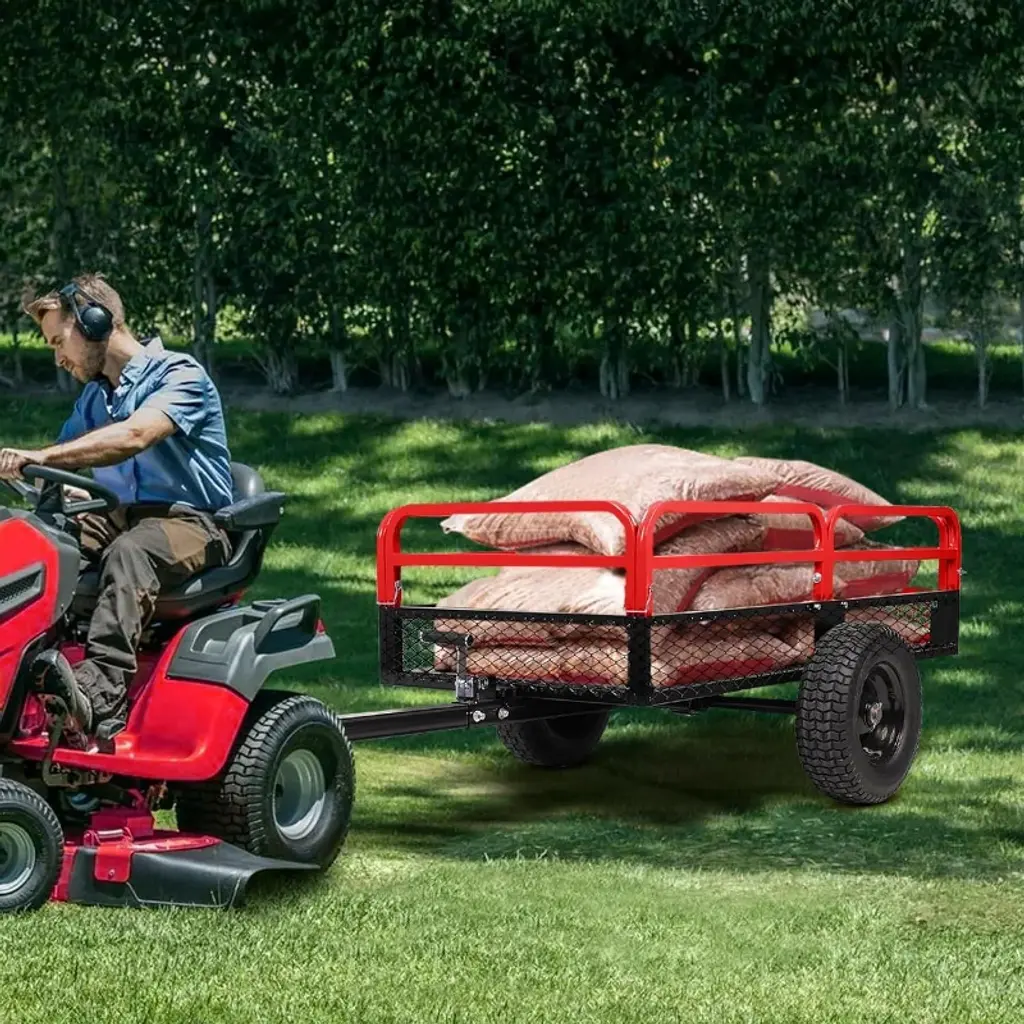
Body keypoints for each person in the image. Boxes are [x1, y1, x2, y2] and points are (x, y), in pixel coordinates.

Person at [0, 274, 235, 736]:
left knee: (131, 552)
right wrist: (50, 482)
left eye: (58, 341)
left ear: (94, 321)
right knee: (35, 539)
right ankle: (19, 672)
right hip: (118, 517)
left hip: (193, 522)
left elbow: (135, 435)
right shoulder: (95, 398)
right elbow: (64, 460)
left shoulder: (180, 375)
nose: (58, 357)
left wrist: (41, 458)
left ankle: (100, 692)